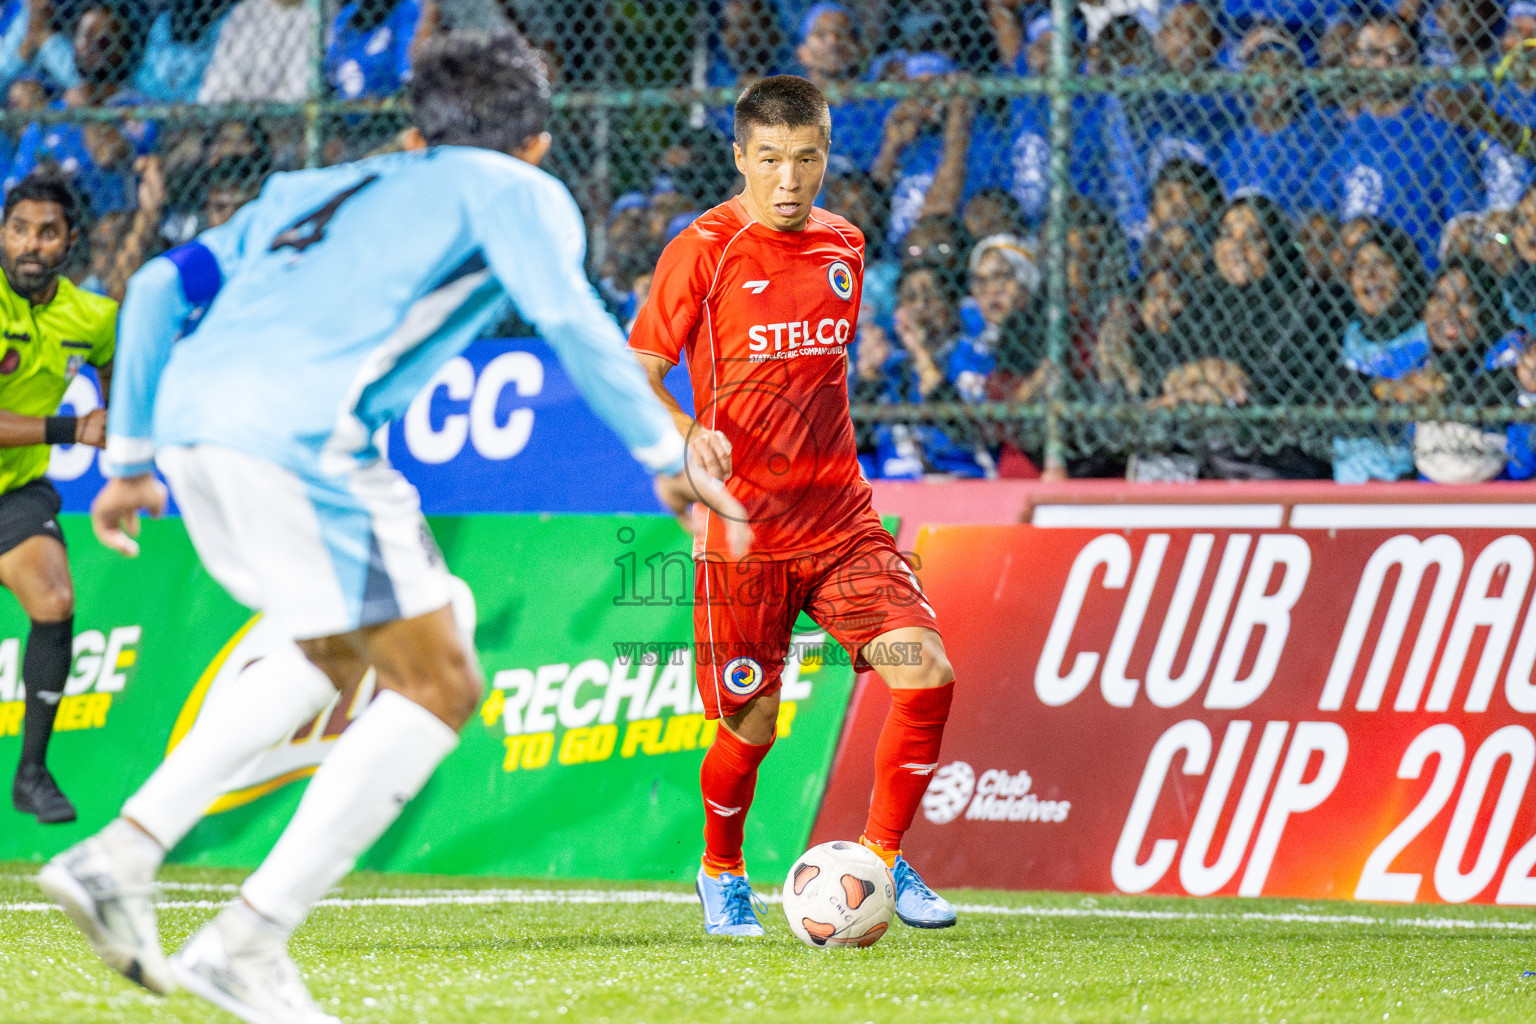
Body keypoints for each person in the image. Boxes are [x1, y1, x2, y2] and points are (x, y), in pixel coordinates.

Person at [40, 30, 746, 1023]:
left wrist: (127, 462)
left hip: (195, 429)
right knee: (441, 675)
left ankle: (122, 852)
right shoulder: (515, 188)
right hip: (304, 442)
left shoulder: (315, 185)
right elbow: (573, 318)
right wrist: (666, 458)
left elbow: (155, 288)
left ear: (415, 128)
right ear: (537, 140)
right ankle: (248, 939)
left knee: (337, 640)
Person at [628, 74, 959, 937]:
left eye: (805, 159)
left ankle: (881, 859)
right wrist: (683, 430)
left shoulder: (845, 245)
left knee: (926, 678)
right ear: (740, 157)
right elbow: (638, 373)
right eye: (769, 160)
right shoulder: (700, 250)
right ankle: (721, 871)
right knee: (753, 725)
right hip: (745, 537)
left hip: (842, 521)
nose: (787, 179)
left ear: (825, 157)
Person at [0, 175, 114, 824]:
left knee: (55, 597)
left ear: (70, 241)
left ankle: (33, 773)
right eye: (18, 230)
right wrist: (76, 428)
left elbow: (122, 365)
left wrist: (121, 420)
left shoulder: (92, 316)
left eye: (46, 232)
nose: (30, 245)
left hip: (14, 492)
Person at [1330, 11, 1482, 261]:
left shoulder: (1438, 127)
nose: (1381, 64)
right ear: (1353, 59)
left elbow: (1462, 218)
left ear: (1414, 62)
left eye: (1396, 54)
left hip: (1419, 277)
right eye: (1371, 52)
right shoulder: (1345, 131)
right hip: (1353, 279)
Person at [1216, 25, 1333, 218]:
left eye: (1284, 62)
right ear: (1247, 73)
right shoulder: (1232, 141)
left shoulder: (1316, 136)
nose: (1273, 73)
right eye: (1261, 63)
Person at [198, 0, 318, 103]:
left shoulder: (317, 15)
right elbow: (213, 89)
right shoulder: (245, 11)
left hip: (282, 120)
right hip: (234, 115)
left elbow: (299, 92)